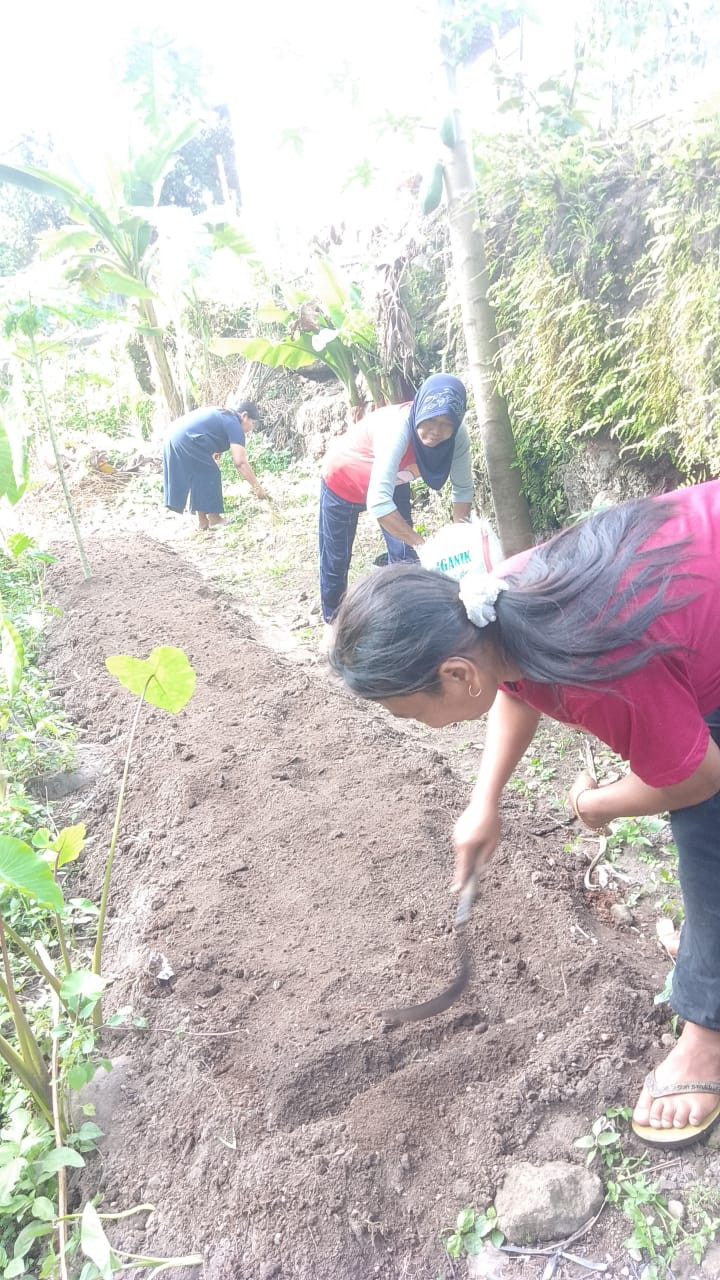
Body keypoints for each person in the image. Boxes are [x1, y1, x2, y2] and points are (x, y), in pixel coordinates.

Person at [329, 479, 720, 1150]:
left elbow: (699, 780)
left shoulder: (599, 660)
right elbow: (513, 684)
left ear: (456, 676)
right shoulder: (492, 604)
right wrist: (485, 803)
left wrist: (597, 803)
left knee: (708, 841)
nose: (421, 726)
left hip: (687, 614)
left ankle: (707, 1036)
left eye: (411, 713)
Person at [319, 374, 473, 636]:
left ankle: (405, 623)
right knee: (336, 557)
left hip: (394, 480)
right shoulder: (398, 428)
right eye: (431, 420)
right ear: (420, 409)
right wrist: (427, 547)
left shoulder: (457, 436)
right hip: (342, 479)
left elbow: (463, 489)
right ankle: (332, 627)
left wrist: (458, 541)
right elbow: (379, 504)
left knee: (406, 558)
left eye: (446, 423)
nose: (437, 431)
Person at [163, 402, 268, 531]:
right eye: (252, 423)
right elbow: (240, 462)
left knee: (201, 473)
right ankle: (214, 518)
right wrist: (257, 488)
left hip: (173, 435)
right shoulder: (234, 423)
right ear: (244, 416)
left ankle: (202, 522)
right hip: (185, 437)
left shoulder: (225, 415)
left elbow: (208, 434)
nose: (251, 428)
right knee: (210, 473)